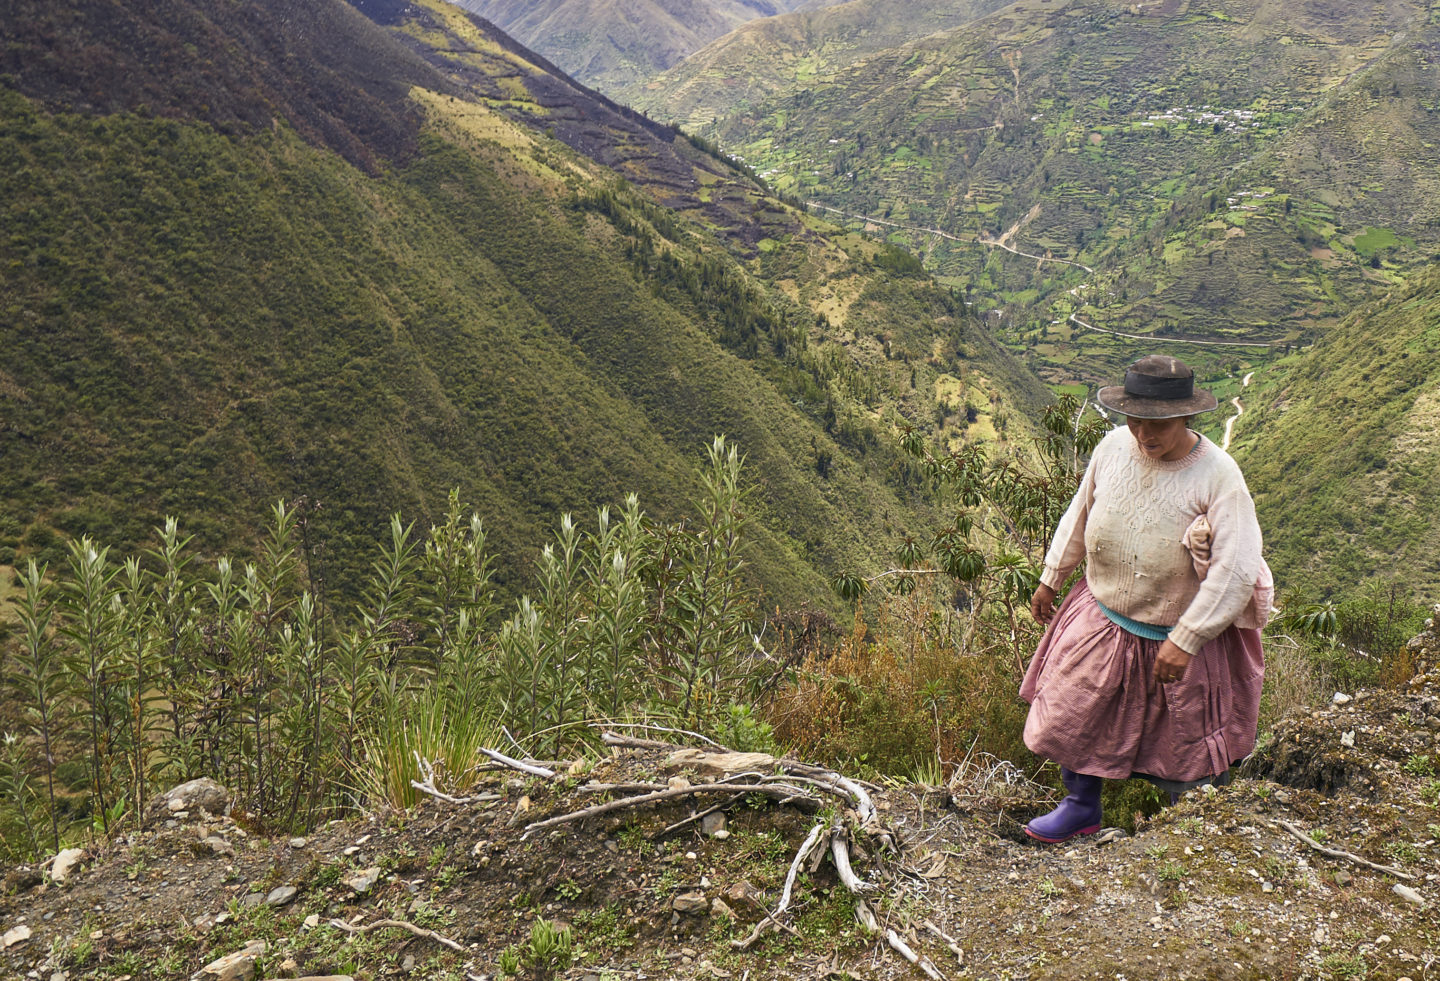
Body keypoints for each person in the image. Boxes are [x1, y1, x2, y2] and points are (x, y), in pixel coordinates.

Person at [1019, 355, 1270, 843]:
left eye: (1158, 424)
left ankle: (1192, 833)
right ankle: (1080, 807)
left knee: (1184, 744)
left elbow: (1237, 569)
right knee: (1077, 714)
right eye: (1135, 421)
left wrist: (1188, 637)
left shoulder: (1219, 476)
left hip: (1177, 636)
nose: (1143, 434)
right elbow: (1081, 510)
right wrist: (1052, 577)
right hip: (1104, 617)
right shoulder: (1113, 448)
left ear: (1187, 417)